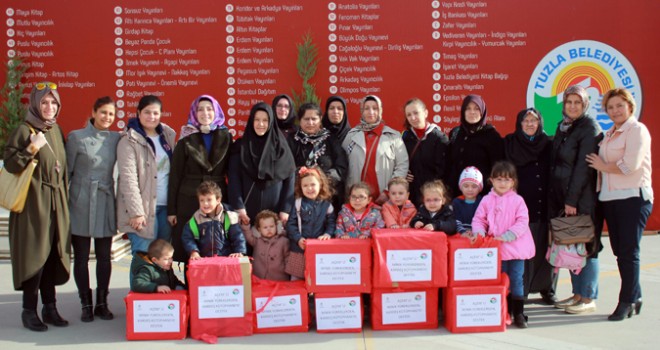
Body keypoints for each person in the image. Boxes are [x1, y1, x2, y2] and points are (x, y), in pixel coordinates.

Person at [3, 82, 70, 331]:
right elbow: (10, 164)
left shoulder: (55, 130)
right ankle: (28, 310)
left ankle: (50, 307)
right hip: (33, 202)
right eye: (44, 102)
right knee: (35, 255)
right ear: (35, 104)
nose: (49, 107)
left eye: (53, 103)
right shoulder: (24, 129)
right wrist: (32, 147)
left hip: (56, 202)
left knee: (52, 253)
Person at [586, 88, 653, 321]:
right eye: (611, 107)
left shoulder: (637, 130)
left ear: (630, 107)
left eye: (619, 106)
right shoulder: (609, 134)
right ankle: (636, 296)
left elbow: (629, 165)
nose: (615, 110)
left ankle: (626, 302)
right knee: (620, 253)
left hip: (632, 198)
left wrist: (602, 166)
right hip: (609, 199)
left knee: (628, 252)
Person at [549, 85, 603, 315]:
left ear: (585, 105)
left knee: (586, 246)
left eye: (577, 103)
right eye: (569, 102)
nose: (572, 106)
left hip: (583, 198)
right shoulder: (563, 127)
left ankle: (588, 296)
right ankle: (577, 294)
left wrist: (571, 200)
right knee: (572, 245)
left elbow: (583, 168)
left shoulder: (589, 127)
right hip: (565, 197)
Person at [65, 96, 120, 322]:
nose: (107, 117)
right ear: (94, 112)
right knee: (81, 257)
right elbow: (66, 173)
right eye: (103, 112)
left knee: (104, 257)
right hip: (81, 200)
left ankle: (102, 302)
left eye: (111, 114)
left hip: (106, 200)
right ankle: (85, 303)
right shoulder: (76, 137)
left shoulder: (117, 138)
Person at [167, 95, 232, 264]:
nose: (205, 113)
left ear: (216, 111)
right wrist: (172, 210)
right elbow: (175, 175)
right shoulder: (186, 138)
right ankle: (192, 286)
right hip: (189, 198)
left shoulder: (226, 137)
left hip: (217, 196)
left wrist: (232, 206)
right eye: (200, 109)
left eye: (209, 109)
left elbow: (232, 173)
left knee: (216, 245)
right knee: (191, 246)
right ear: (194, 113)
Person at [471, 161, 535, 328]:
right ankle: (504, 310)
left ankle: (519, 312)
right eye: (498, 179)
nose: (502, 183)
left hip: (516, 248)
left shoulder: (518, 200)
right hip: (496, 248)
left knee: (516, 278)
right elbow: (479, 219)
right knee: (500, 279)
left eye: (507, 179)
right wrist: (479, 233)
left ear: (513, 182)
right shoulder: (486, 200)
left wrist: (508, 235)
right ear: (491, 180)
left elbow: (523, 221)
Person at [504, 108, 556, 304]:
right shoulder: (510, 143)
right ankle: (521, 290)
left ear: (540, 123)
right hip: (521, 207)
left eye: (534, 121)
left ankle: (546, 288)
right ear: (519, 123)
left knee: (546, 249)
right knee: (523, 250)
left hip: (546, 205)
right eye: (526, 121)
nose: (530, 124)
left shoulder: (548, 144)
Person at [117, 95, 176, 256]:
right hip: (142, 210)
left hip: (165, 208)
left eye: (156, 113)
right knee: (143, 257)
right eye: (147, 112)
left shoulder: (168, 136)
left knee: (162, 257)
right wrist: (136, 212)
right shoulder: (129, 140)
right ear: (138, 113)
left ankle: (161, 283)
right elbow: (128, 180)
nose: (152, 117)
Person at [228, 102, 296, 228]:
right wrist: (239, 207)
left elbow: (289, 179)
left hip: (275, 219)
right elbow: (234, 179)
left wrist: (285, 209)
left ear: (271, 122)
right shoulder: (240, 147)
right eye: (257, 120)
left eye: (265, 120)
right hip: (246, 217)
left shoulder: (281, 148)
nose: (261, 124)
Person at [343, 95, 409, 205]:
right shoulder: (351, 136)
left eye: (375, 108)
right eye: (366, 108)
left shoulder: (393, 136)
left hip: (385, 201)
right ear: (362, 111)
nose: (371, 112)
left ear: (381, 111)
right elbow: (343, 165)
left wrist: (389, 191)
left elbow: (402, 166)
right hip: (358, 201)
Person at [287, 102, 348, 209]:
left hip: (328, 198)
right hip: (299, 199)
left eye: (314, 119)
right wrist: (305, 182)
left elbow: (341, 167)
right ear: (300, 120)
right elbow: (287, 168)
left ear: (320, 119)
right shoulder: (292, 140)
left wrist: (321, 182)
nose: (310, 122)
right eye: (306, 119)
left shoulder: (331, 139)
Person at [445, 94, 504, 197]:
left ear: (482, 112)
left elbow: (498, 168)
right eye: (468, 109)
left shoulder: (492, 136)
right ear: (463, 112)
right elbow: (449, 162)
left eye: (476, 109)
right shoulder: (455, 133)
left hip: (483, 196)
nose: (472, 112)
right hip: (457, 197)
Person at [285, 167, 336, 279]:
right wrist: (298, 238)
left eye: (313, 184)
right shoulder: (298, 204)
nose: (309, 188)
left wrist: (327, 234)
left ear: (320, 184)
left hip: (319, 249)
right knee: (296, 279)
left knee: (317, 278)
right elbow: (291, 224)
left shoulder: (327, 205)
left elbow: (331, 223)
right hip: (299, 249)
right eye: (305, 186)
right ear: (300, 188)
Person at [401, 98, 449, 206]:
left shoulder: (439, 138)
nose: (413, 118)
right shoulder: (405, 138)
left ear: (425, 113)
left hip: (432, 197)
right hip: (411, 196)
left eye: (416, 113)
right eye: (409, 115)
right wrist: (404, 173)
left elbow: (444, 171)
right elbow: (399, 163)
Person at [181, 181, 246, 259]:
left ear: (218, 200)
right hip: (204, 261)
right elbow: (187, 237)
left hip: (225, 260)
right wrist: (193, 251)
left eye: (209, 200)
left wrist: (239, 251)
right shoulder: (195, 219)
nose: (205, 203)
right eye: (202, 200)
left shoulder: (228, 216)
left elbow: (238, 236)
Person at [241, 210, 290, 281]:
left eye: (272, 226)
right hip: (259, 278)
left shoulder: (284, 241)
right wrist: (246, 226)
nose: (269, 229)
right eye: (265, 227)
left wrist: (289, 272)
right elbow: (248, 235)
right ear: (259, 229)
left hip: (280, 279)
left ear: (277, 226)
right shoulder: (257, 240)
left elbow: (288, 258)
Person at [452, 166, 484, 236]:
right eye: (466, 186)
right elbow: (455, 220)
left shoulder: (483, 202)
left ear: (480, 188)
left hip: (479, 234)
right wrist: (463, 232)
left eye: (474, 186)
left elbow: (484, 220)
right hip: (460, 235)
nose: (470, 189)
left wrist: (477, 231)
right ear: (461, 187)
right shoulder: (457, 202)